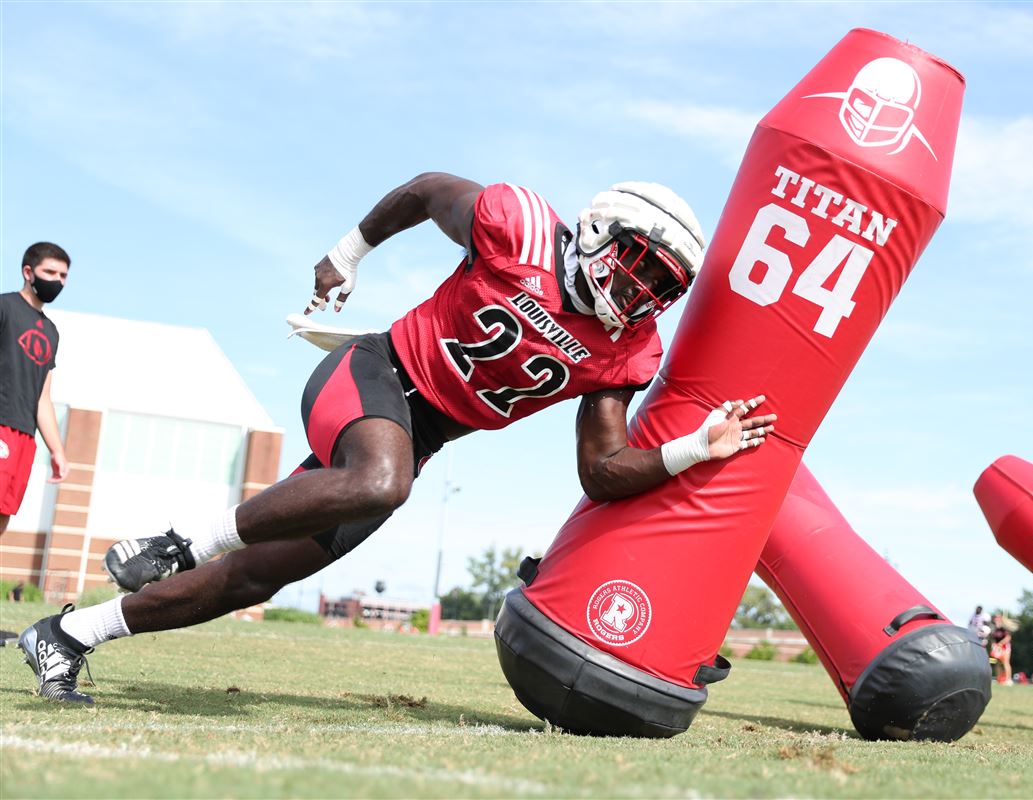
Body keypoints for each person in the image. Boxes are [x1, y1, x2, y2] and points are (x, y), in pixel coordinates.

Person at [18, 174, 778, 704]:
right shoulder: (518, 226)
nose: (640, 292)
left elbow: (602, 470)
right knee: (384, 482)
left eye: (661, 286)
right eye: (638, 265)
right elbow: (424, 191)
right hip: (373, 371)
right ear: (601, 232)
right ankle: (181, 538)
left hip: (420, 436)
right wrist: (345, 255)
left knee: (254, 580)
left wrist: (693, 450)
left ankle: (67, 634)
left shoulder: (626, 348)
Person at [0, 243, 71, 536]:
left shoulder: (51, 332)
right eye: (50, 272)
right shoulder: (4, 307)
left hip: (25, 436)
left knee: (3, 514)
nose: (57, 281)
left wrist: (57, 450)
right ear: (28, 272)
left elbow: (43, 397)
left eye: (64, 275)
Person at [988, 612, 1012, 685]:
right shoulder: (994, 628)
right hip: (997, 648)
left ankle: (1008, 679)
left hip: (1005, 647)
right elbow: (993, 639)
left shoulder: (1004, 628)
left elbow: (1008, 637)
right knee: (996, 663)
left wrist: (1000, 643)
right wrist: (993, 645)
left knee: (1005, 662)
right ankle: (999, 678)